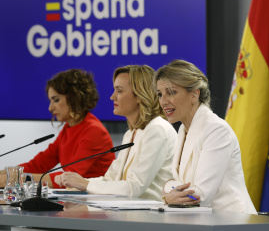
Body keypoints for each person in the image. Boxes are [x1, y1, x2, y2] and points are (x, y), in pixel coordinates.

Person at [54, 65, 177, 201]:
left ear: (140, 95)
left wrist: (85, 184)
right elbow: (111, 179)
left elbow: (134, 187)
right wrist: (75, 182)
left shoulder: (157, 130)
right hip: (129, 213)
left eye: (119, 91)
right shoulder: (131, 133)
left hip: (151, 217)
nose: (112, 97)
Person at [154, 59, 256, 214]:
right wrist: (168, 190)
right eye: (160, 94)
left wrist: (167, 194)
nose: (163, 101)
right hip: (202, 220)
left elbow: (199, 196)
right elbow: (172, 185)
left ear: (194, 95)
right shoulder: (183, 129)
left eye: (171, 92)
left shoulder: (216, 130)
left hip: (231, 221)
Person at [0, 69, 115, 189]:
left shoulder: (94, 131)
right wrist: (6, 174)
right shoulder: (69, 128)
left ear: (74, 97)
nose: (50, 108)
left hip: (95, 202)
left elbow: (68, 177)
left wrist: (13, 179)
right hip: (76, 199)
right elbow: (38, 165)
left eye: (56, 100)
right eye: (50, 101)